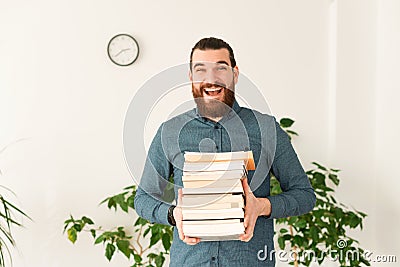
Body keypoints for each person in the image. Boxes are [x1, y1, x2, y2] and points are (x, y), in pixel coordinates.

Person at [134, 37, 316, 266]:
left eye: (221, 68)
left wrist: (261, 206)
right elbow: (143, 199)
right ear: (191, 77)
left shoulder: (267, 128)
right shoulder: (169, 132)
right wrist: (174, 214)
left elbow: (305, 195)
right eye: (201, 70)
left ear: (235, 74)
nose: (211, 79)